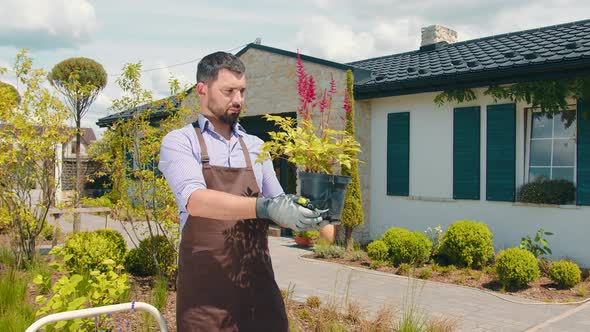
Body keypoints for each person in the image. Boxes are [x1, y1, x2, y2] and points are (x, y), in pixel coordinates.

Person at [159, 51, 328, 332]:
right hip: (205, 298)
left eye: (242, 91)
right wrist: (263, 207)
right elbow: (195, 201)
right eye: (228, 91)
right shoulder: (179, 142)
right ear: (202, 89)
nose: (238, 99)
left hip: (258, 291)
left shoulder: (256, 146)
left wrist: (311, 213)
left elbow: (279, 204)